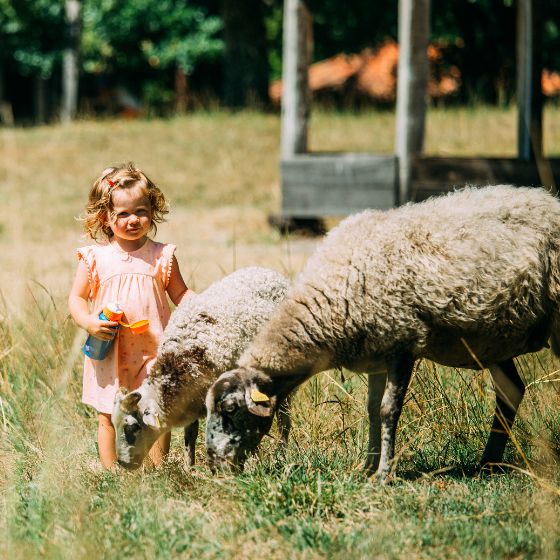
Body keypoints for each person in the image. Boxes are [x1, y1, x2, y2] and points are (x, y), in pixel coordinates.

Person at [68, 163, 191, 469]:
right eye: (122, 213)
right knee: (108, 413)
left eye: (141, 211)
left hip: (153, 350)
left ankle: (156, 468)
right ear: (105, 217)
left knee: (157, 410)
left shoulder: (163, 255)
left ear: (153, 210)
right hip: (109, 349)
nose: (133, 219)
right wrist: (88, 322)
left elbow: (181, 295)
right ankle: (112, 474)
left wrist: (204, 307)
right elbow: (77, 298)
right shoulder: (95, 257)